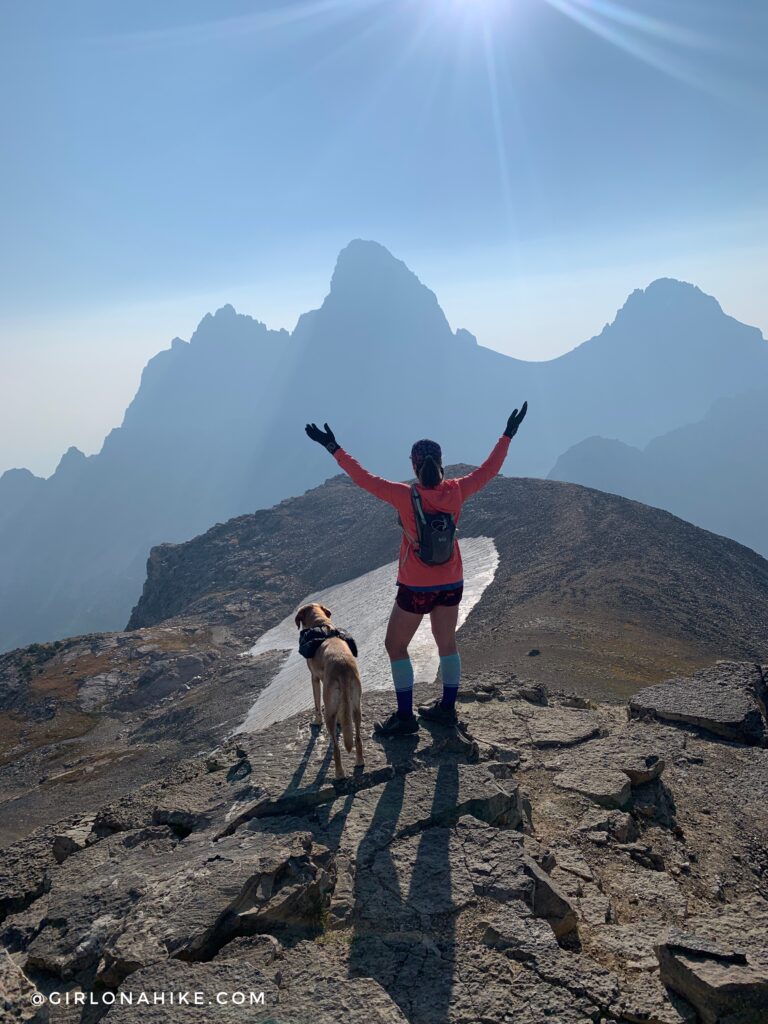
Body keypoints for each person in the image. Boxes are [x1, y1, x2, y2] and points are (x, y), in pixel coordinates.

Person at [305, 403, 528, 736]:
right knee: (447, 644)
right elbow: (489, 469)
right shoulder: (457, 490)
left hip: (415, 587)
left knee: (395, 647)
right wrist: (508, 433)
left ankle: (406, 718)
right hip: (452, 581)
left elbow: (363, 478)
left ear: (413, 464)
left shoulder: (403, 496)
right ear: (441, 462)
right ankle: (446, 711)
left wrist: (333, 447)